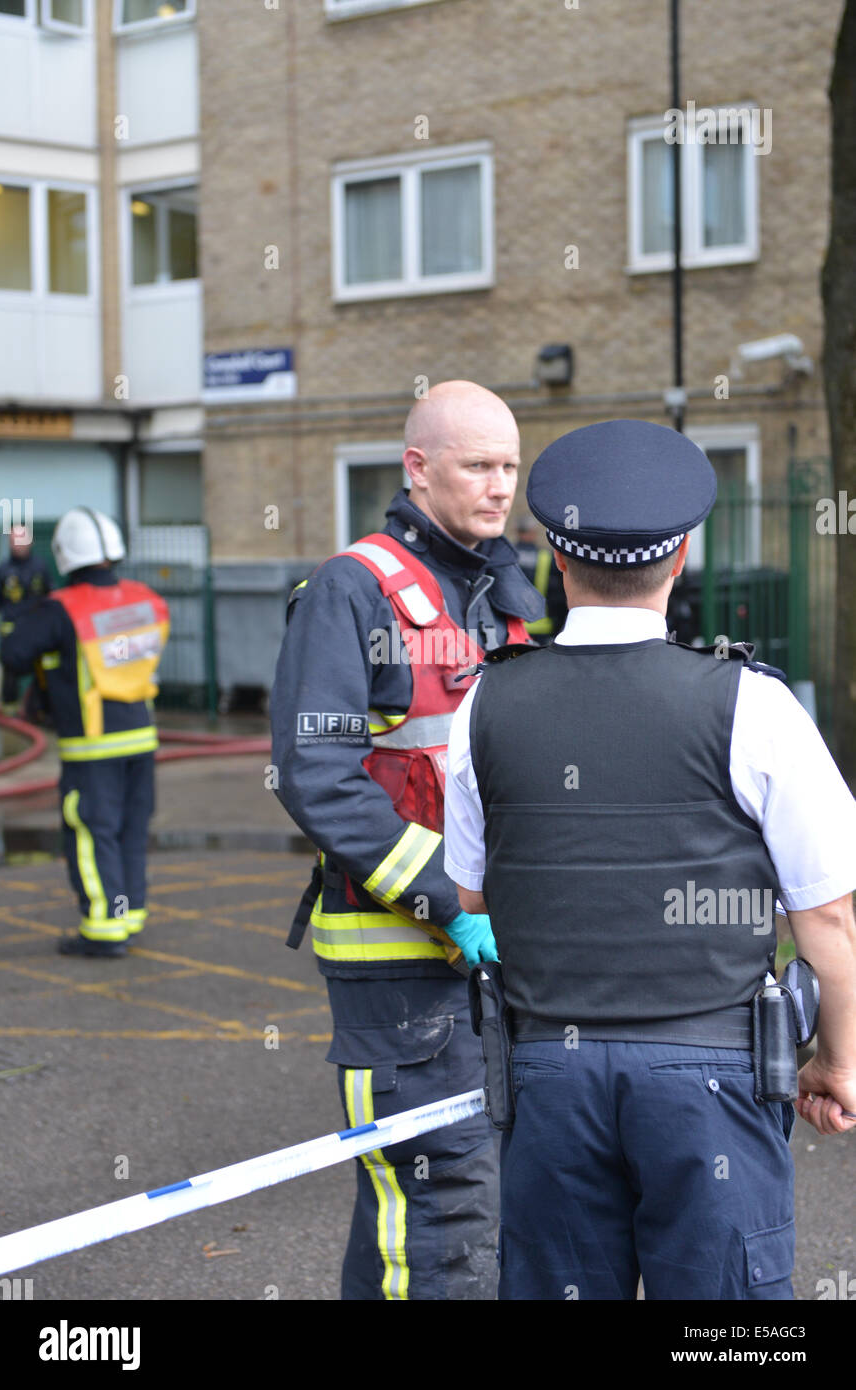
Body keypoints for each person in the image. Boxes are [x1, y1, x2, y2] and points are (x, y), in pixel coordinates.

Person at [445, 418, 856, 1301]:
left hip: (547, 1077)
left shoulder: (482, 703)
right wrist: (836, 1062)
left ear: (557, 561)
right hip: (710, 1075)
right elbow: (827, 916)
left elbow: (474, 899)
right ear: (678, 563)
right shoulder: (753, 707)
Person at [270, 380, 543, 1300]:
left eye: (510, 465)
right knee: (439, 1211)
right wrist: (449, 898)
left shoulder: (500, 588)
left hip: (491, 959)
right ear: (417, 470)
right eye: (478, 466)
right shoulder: (353, 589)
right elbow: (319, 777)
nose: (500, 486)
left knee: (425, 1208)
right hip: (396, 964)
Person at [0, 507, 170, 958]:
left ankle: (104, 929)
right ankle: (129, 912)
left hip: (93, 744)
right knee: (130, 831)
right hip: (142, 737)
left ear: (64, 556)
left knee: (93, 833)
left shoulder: (61, 608)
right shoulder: (147, 600)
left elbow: (14, 653)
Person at [0, 525, 52, 711]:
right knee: (9, 674)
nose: (18, 545)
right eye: (14, 540)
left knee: (43, 673)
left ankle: (41, 712)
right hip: (12, 635)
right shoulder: (2, 570)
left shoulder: (40, 566)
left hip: (37, 631)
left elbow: (50, 594)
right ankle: (10, 714)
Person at [514, 513, 567, 640]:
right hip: (542, 629)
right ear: (533, 532)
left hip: (512, 629)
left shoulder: (507, 556)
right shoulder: (547, 557)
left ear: (517, 531)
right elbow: (560, 596)